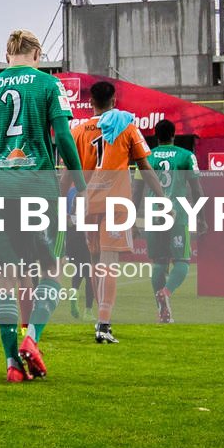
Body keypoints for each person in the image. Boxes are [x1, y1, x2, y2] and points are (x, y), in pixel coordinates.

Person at [0, 29, 85, 382]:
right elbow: (62, 136)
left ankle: (12, 364)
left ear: (7, 55)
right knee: (50, 270)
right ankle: (32, 338)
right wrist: (81, 182)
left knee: (5, 277)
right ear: (37, 54)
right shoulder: (49, 85)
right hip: (38, 188)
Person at [71, 79, 162, 344]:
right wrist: (162, 197)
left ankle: (100, 322)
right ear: (114, 100)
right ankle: (104, 324)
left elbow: (69, 172)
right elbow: (144, 166)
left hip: (87, 202)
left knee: (95, 262)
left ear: (91, 102)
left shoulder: (78, 131)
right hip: (115, 203)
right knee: (108, 264)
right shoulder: (127, 127)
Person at [144, 120, 197, 324]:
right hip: (177, 215)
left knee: (159, 262)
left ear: (156, 136)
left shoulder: (147, 157)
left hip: (153, 214)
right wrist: (201, 217)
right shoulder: (186, 156)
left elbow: (138, 188)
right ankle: (166, 292)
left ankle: (162, 312)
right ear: (174, 134)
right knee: (182, 261)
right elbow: (196, 188)